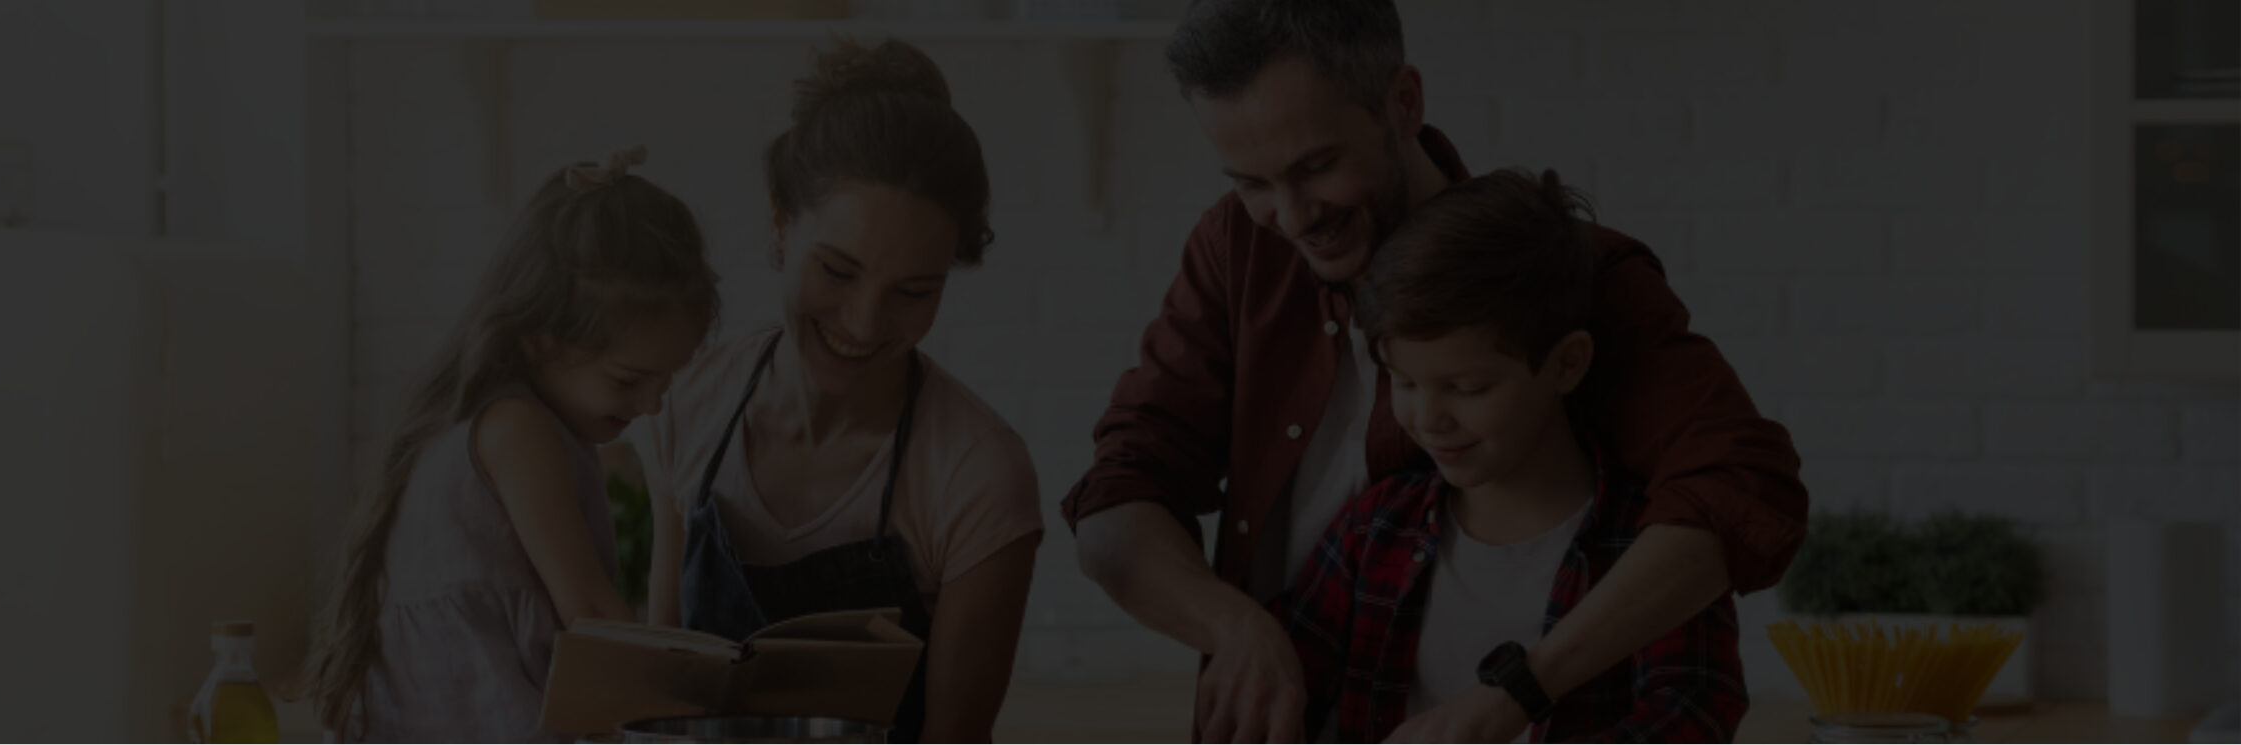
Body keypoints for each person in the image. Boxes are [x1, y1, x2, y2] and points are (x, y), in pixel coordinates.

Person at [1059, 2, 1808, 741]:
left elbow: (1737, 485)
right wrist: (1236, 629)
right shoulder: (1237, 246)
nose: (1288, 218)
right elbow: (1118, 500)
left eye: (1316, 166)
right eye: (1250, 182)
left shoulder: (1564, 273)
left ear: (1405, 102)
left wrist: (1521, 688)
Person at [627, 38, 1043, 744]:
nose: (863, 324)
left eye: (914, 291)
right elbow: (665, 699)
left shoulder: (977, 473)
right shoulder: (687, 405)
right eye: (838, 271)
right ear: (781, 223)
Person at [1280, 168, 1747, 742]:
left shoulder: (1647, 549)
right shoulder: (1373, 531)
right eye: (1402, 381)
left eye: (1469, 388)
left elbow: (1694, 713)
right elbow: (1285, 690)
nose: (1428, 419)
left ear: (1568, 364)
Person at [298, 149, 722, 743]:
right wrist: (705, 697)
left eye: (667, 381)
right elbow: (592, 615)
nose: (652, 405)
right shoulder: (517, 430)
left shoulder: (486, 423)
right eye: (629, 381)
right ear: (540, 342)